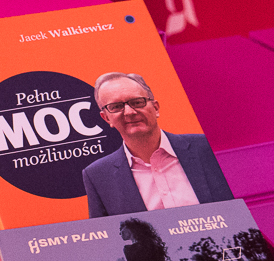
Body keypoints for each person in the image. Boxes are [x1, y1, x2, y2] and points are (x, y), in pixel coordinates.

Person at [82, 72, 234, 218]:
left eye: (137, 102)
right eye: (116, 107)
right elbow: (108, 233)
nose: (129, 112)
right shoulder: (98, 176)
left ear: (156, 108)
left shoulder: (208, 148)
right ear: (106, 118)